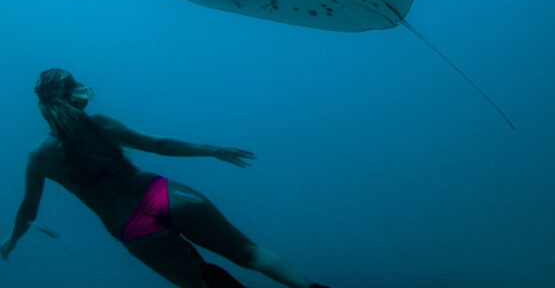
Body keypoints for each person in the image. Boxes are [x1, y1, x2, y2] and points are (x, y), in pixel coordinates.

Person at [0, 69, 330, 288]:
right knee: (250, 253)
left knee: (204, 282)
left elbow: (27, 212)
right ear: (77, 93)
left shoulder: (39, 157)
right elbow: (159, 145)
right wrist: (213, 150)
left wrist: (11, 242)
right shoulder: (100, 123)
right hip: (164, 195)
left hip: (134, 229)